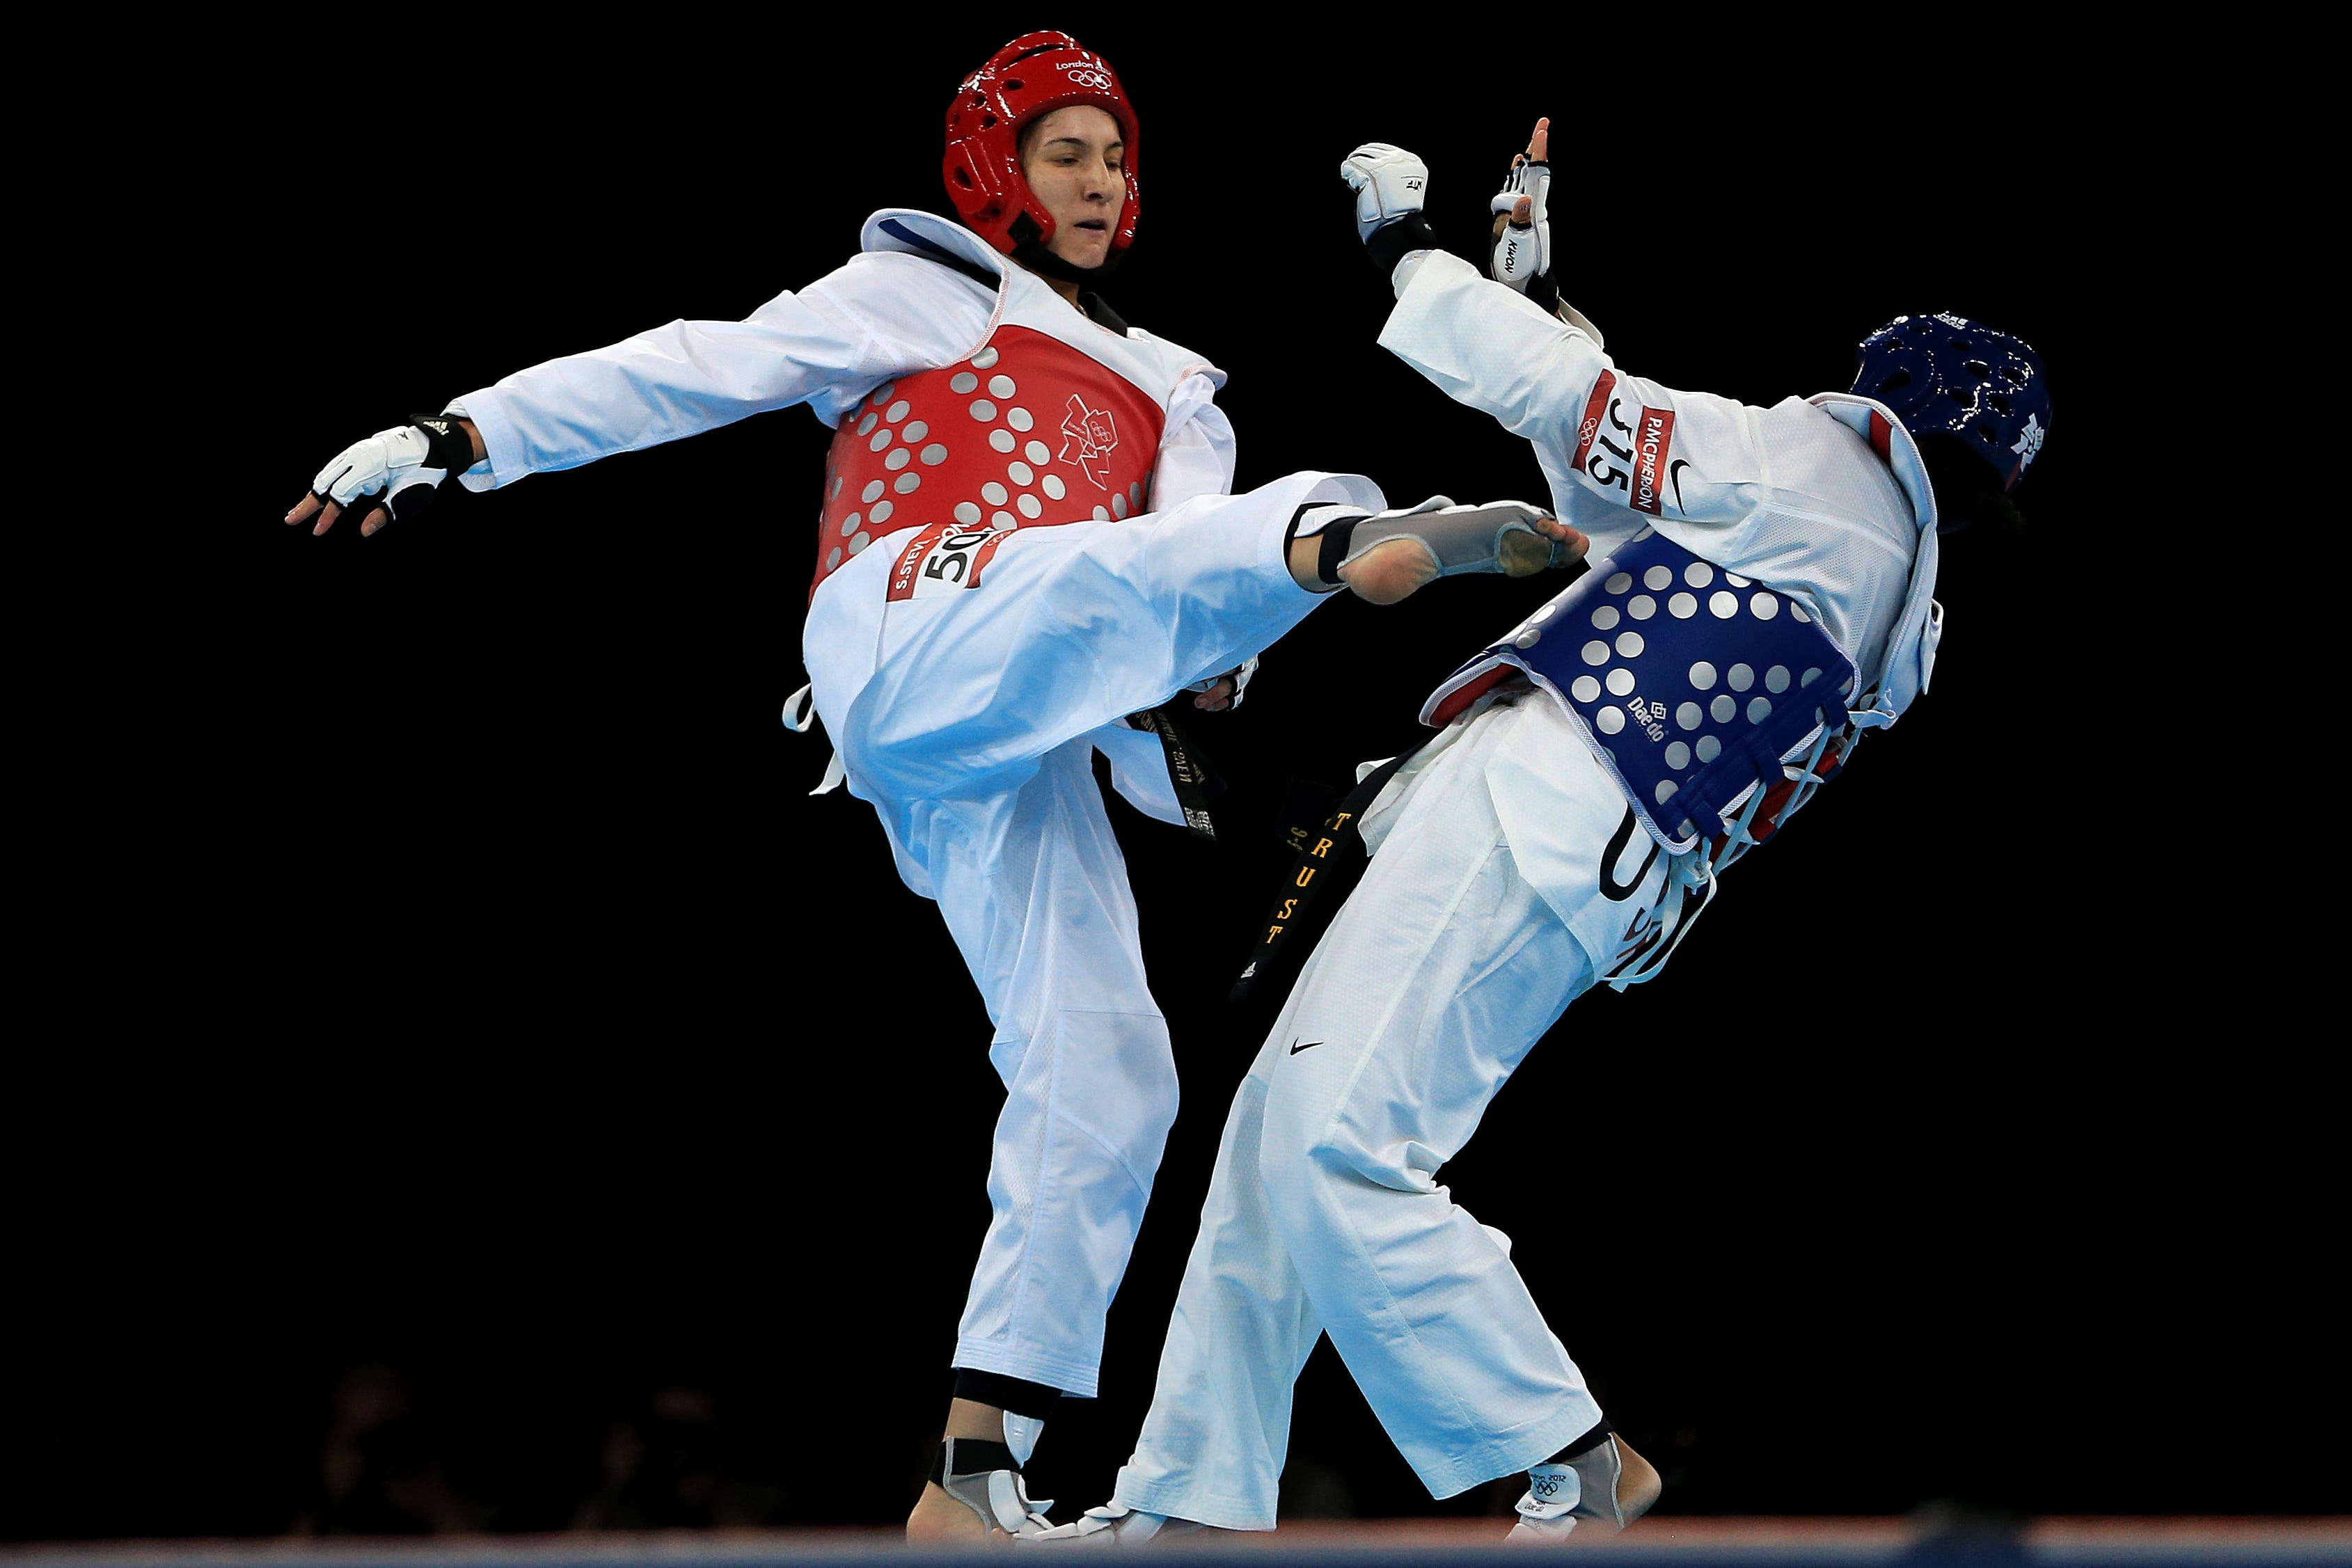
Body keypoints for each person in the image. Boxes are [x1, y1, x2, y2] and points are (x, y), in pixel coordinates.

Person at [280, 39, 1580, 1544]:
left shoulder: (1178, 394)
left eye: (1116, 157)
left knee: (1107, 1063)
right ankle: (1346, 532)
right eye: (1066, 153)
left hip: (1011, 724)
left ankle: (975, 1465)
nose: (1101, 183)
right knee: (1153, 557)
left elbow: (1149, 626)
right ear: (992, 168)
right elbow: (685, 364)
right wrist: (464, 437)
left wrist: (1213, 710)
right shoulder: (926, 286)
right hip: (909, 614)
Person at [1039, 120, 2051, 1544]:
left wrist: (1412, 253)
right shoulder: (1879, 577)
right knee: (1283, 1129)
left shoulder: (1833, 472)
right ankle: (1189, 1498)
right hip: (1588, 852)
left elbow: (1584, 412)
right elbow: (1609, 514)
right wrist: (1538, 301)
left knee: (1337, 1147)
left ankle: (1573, 1455)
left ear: (1892, 397)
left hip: (1549, 801)